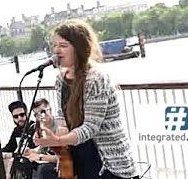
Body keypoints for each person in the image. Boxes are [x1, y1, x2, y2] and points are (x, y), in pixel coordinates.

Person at [34, 19, 138, 179]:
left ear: (79, 47)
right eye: (55, 45)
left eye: (63, 45)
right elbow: (62, 117)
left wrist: (59, 140)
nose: (56, 51)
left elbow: (90, 127)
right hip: (81, 158)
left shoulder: (96, 78)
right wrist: (53, 140)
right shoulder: (60, 80)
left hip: (108, 164)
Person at [24, 98, 58, 179]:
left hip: (62, 163)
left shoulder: (59, 126)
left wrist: (39, 157)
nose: (41, 116)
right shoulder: (40, 127)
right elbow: (44, 149)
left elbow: (62, 157)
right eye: (36, 114)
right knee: (25, 162)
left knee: (43, 169)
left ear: (50, 109)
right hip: (49, 159)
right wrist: (32, 151)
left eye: (43, 111)